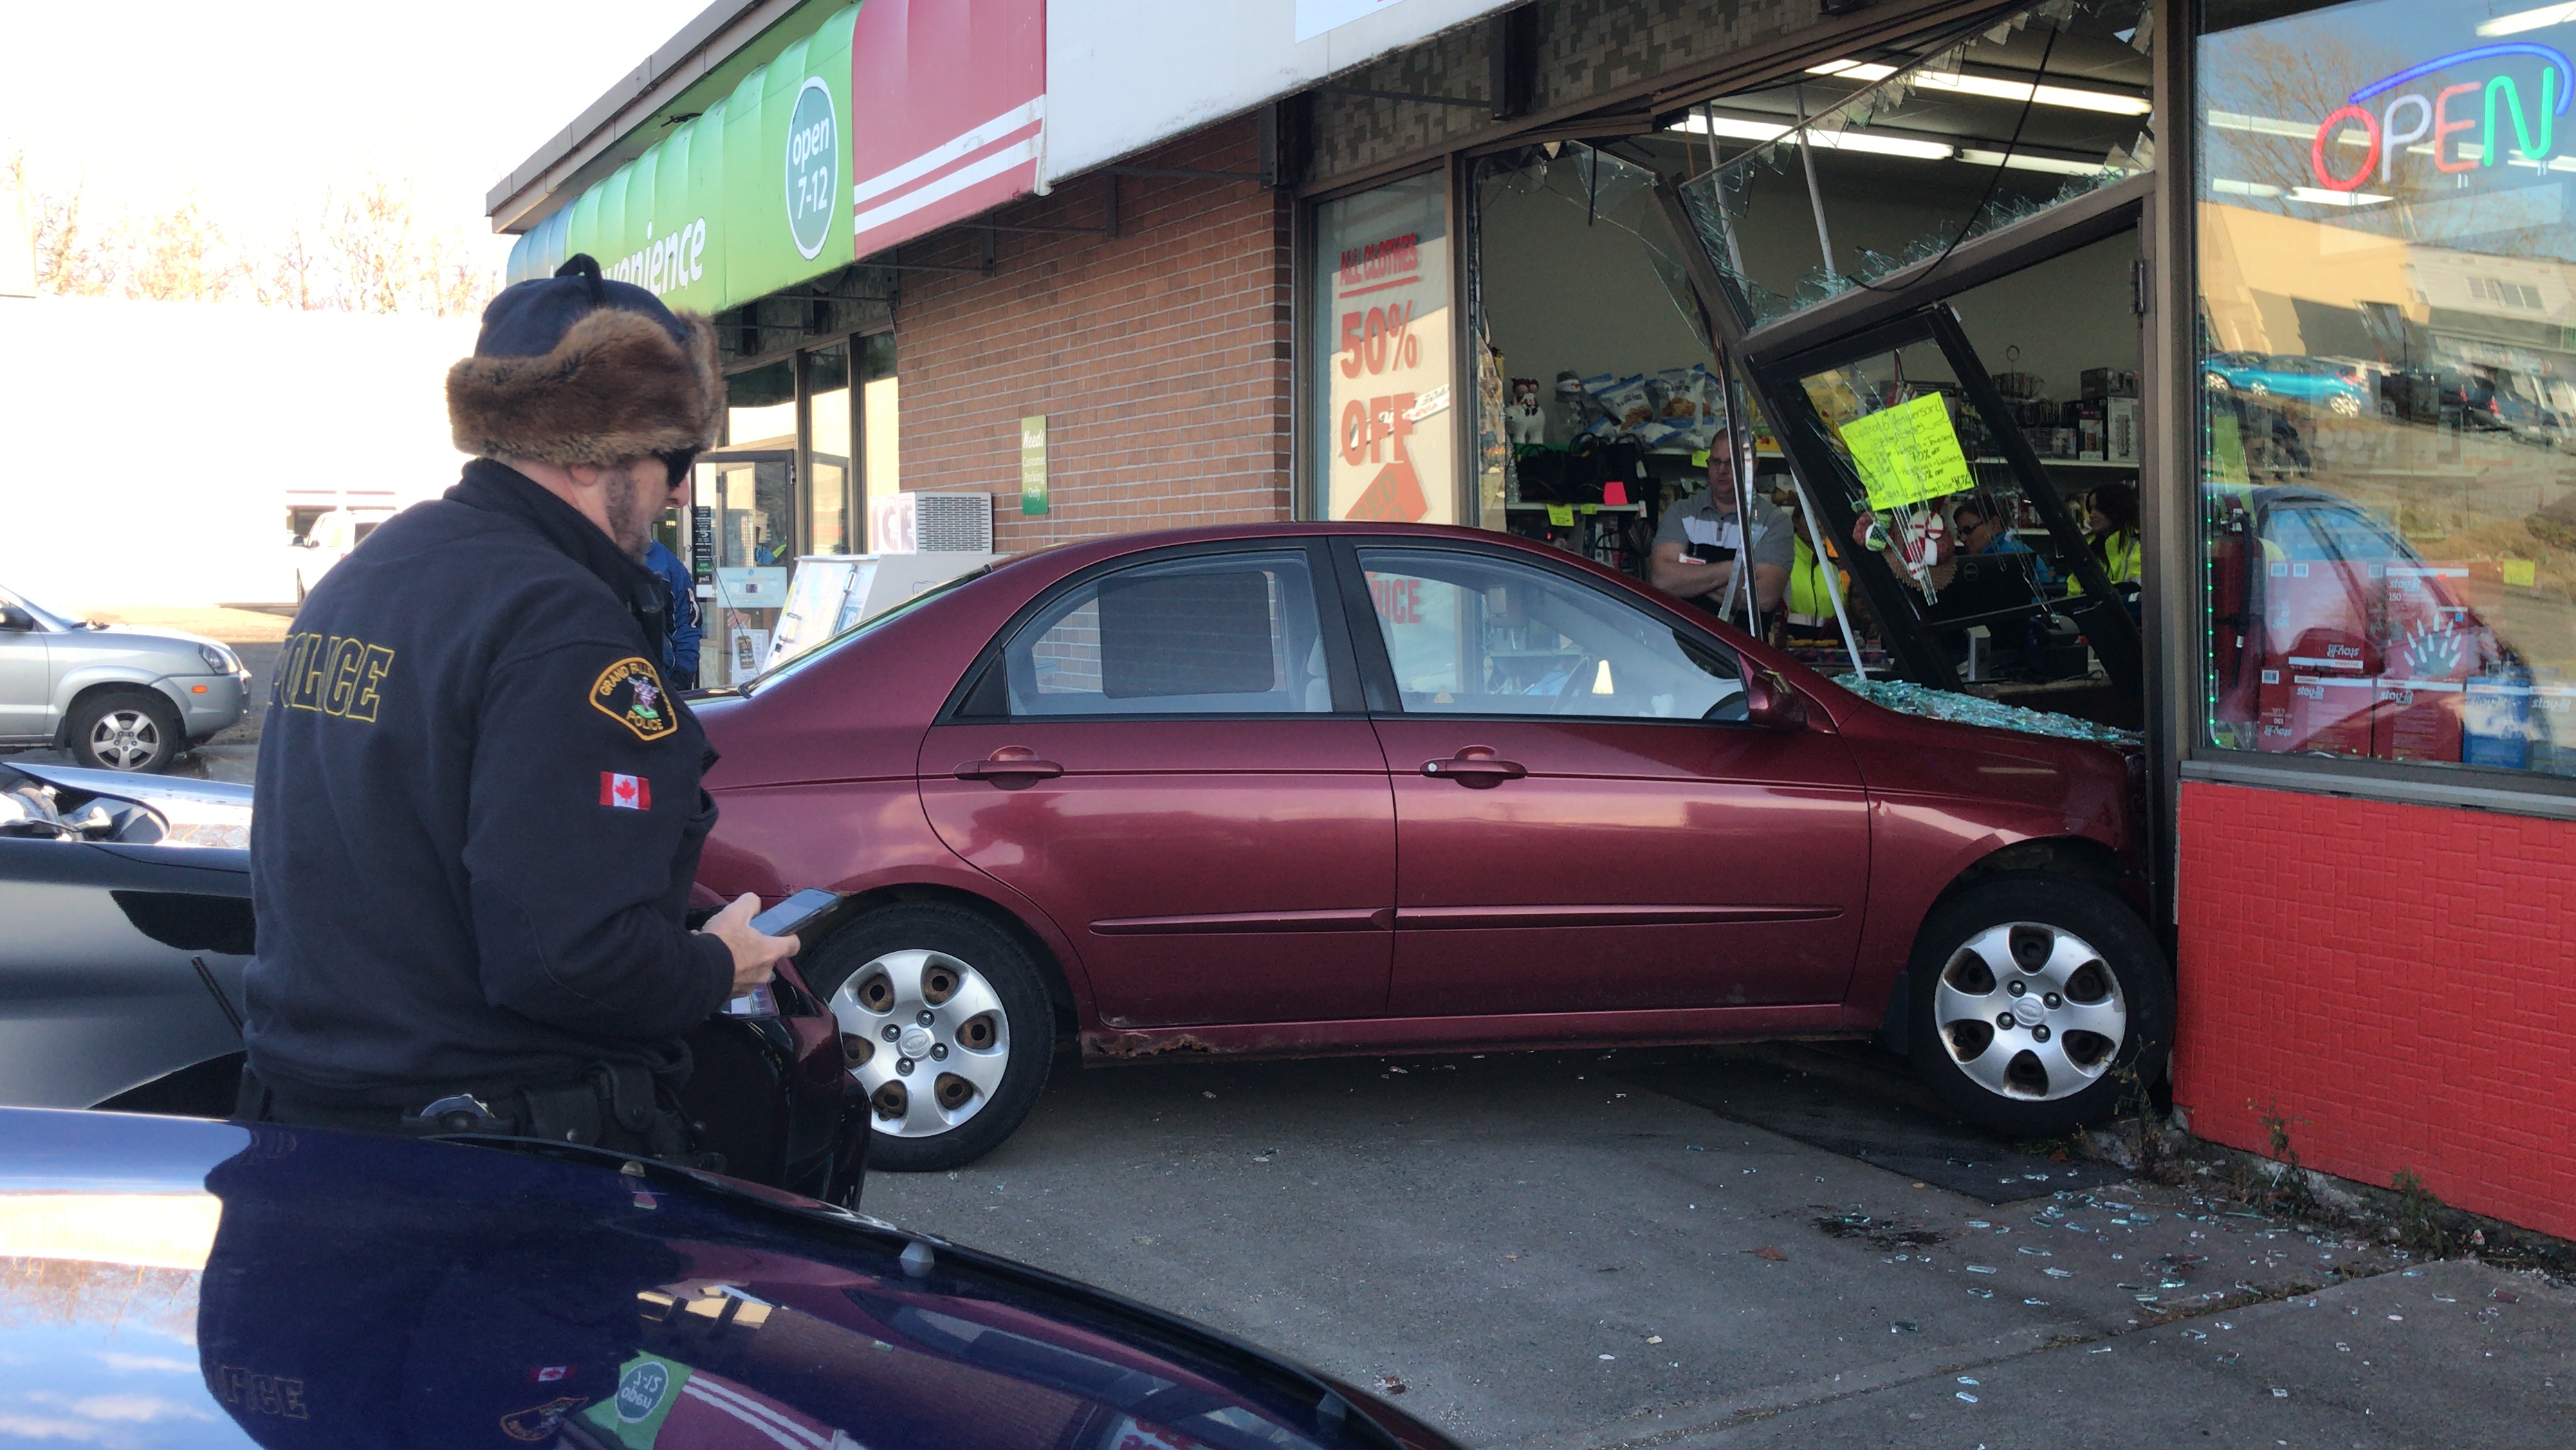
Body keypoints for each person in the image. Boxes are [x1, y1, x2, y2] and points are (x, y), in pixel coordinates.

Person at [237, 254, 798, 1155]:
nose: (682, 487)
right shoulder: (561, 623)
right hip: (486, 1169)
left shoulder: (369, 575)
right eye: (674, 453)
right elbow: (568, 962)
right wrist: (714, 963)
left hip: (306, 1133)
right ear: (587, 452)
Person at [1648, 445, 1791, 626]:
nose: (1721, 470)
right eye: (1716, 462)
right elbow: (1662, 580)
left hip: (1743, 648)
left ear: (1753, 465)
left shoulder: (1773, 522)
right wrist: (1734, 570)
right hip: (1681, 645)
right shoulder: (1681, 512)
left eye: (1731, 463)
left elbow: (1763, 598)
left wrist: (1689, 581)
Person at [644, 522, 701, 690]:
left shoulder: (666, 563)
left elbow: (689, 622)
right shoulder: (586, 557)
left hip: (663, 682)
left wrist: (681, 675)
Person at [1950, 497, 2055, 585]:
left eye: (1968, 530)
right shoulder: (2005, 550)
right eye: (1960, 533)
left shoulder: (2008, 556)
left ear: (1995, 524)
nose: (1963, 538)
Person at [2065, 481, 2140, 598]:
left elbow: (2138, 590)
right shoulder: (2089, 547)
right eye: (2091, 509)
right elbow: (2074, 591)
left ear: (2117, 509)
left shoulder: (2140, 545)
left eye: (2099, 509)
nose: (2092, 515)